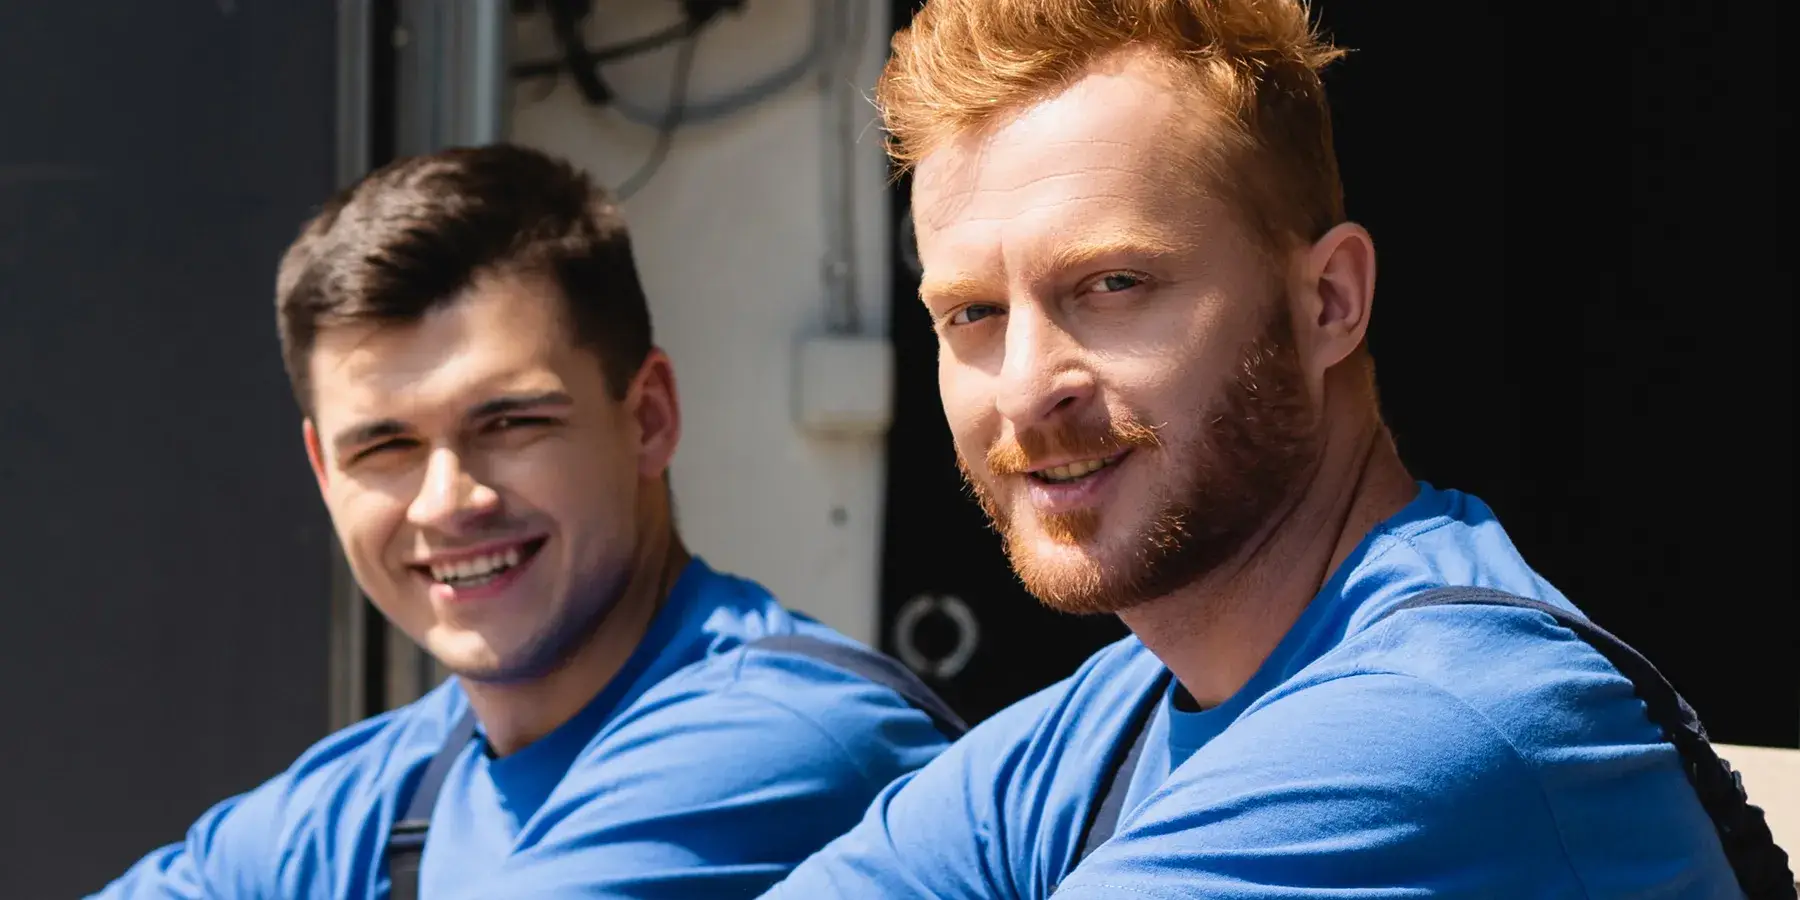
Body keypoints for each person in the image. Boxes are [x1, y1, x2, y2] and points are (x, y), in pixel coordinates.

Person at [760, 1, 1759, 897]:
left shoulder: (1438, 722)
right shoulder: (1111, 724)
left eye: (1114, 286)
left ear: (1329, 301)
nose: (1025, 385)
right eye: (971, 311)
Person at [92, 144, 954, 899]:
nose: (447, 500)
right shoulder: (385, 794)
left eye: (510, 423)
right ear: (324, 472)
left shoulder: (785, 740)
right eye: (384, 447)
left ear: (647, 415)